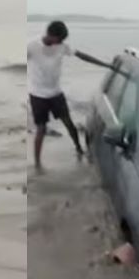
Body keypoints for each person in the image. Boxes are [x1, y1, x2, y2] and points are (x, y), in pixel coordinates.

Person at [28, 20, 111, 168]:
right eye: (58, 39)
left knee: (69, 123)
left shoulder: (62, 46)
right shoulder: (32, 45)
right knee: (41, 128)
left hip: (55, 93)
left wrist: (105, 64)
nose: (60, 43)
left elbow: (82, 56)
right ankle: (37, 163)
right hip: (37, 95)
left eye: (62, 40)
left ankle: (79, 148)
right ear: (50, 34)